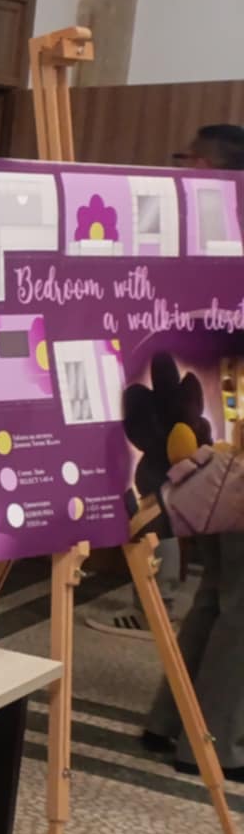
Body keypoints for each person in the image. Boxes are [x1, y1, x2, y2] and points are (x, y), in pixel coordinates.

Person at [93, 126, 244, 638]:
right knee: (219, 576)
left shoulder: (199, 230)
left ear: (202, 167)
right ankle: (172, 612)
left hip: (202, 404)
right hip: (195, 396)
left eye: (185, 158)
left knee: (168, 488)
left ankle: (161, 604)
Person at [141, 123, 244, 779]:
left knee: (222, 591)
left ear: (208, 169)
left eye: (185, 159)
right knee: (236, 599)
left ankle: (172, 722)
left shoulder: (198, 245)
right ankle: (215, 745)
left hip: (212, 441)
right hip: (225, 439)